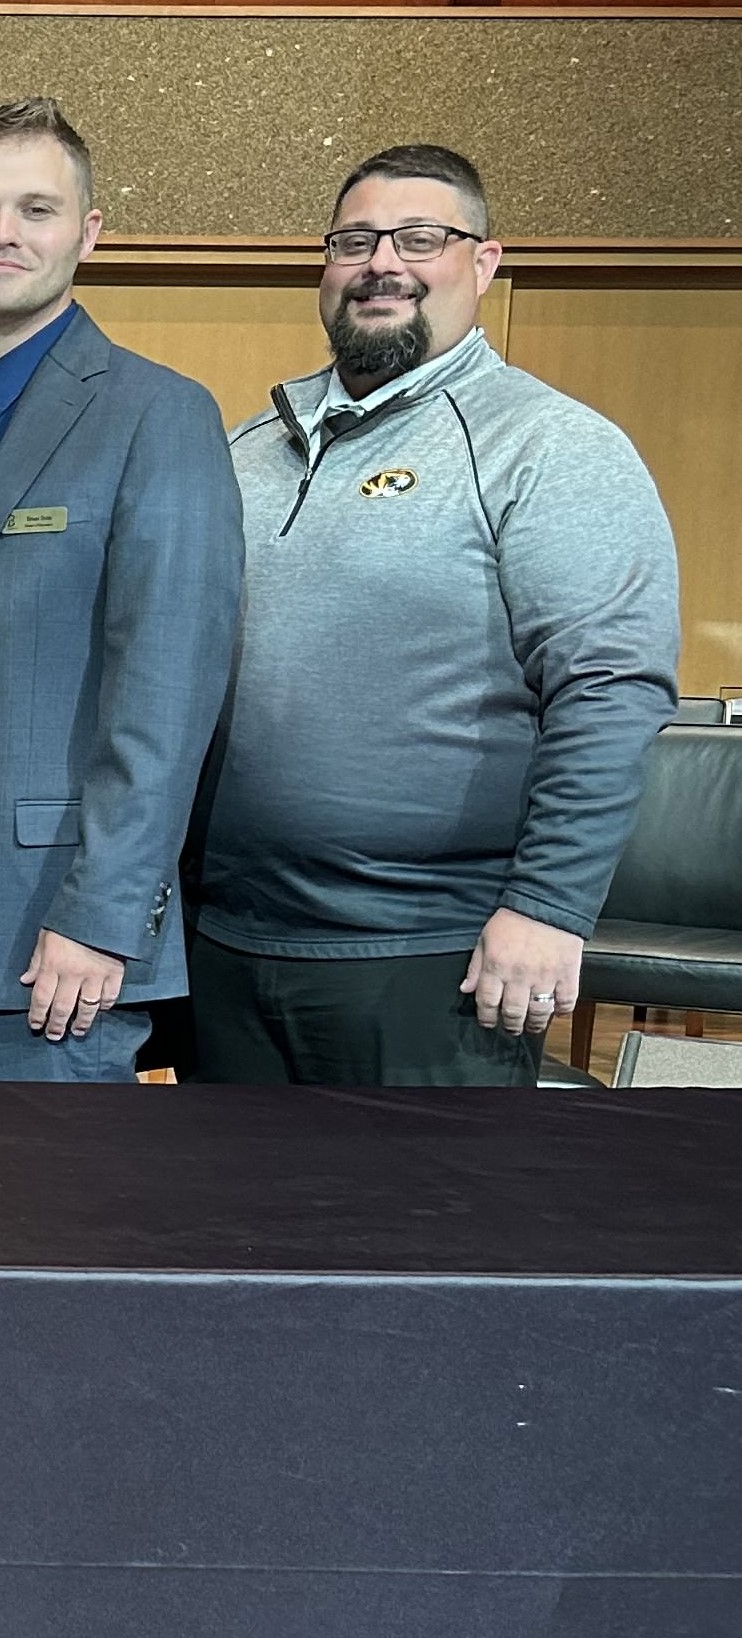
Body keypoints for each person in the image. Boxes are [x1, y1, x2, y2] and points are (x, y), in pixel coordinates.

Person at [192, 144, 679, 1084]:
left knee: (418, 1231)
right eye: (355, 240)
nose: (383, 262)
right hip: (230, 945)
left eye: (421, 238)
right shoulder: (243, 450)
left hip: (432, 956)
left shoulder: (549, 445)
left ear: (484, 265)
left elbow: (608, 689)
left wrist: (548, 906)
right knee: (225, 1231)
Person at [0, 100, 242, 1082]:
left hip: (50, 936)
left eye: (35, 209)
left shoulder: (160, 415)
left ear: (87, 233)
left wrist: (105, 918)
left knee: (41, 1226)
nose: (2, 234)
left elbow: (167, 695)